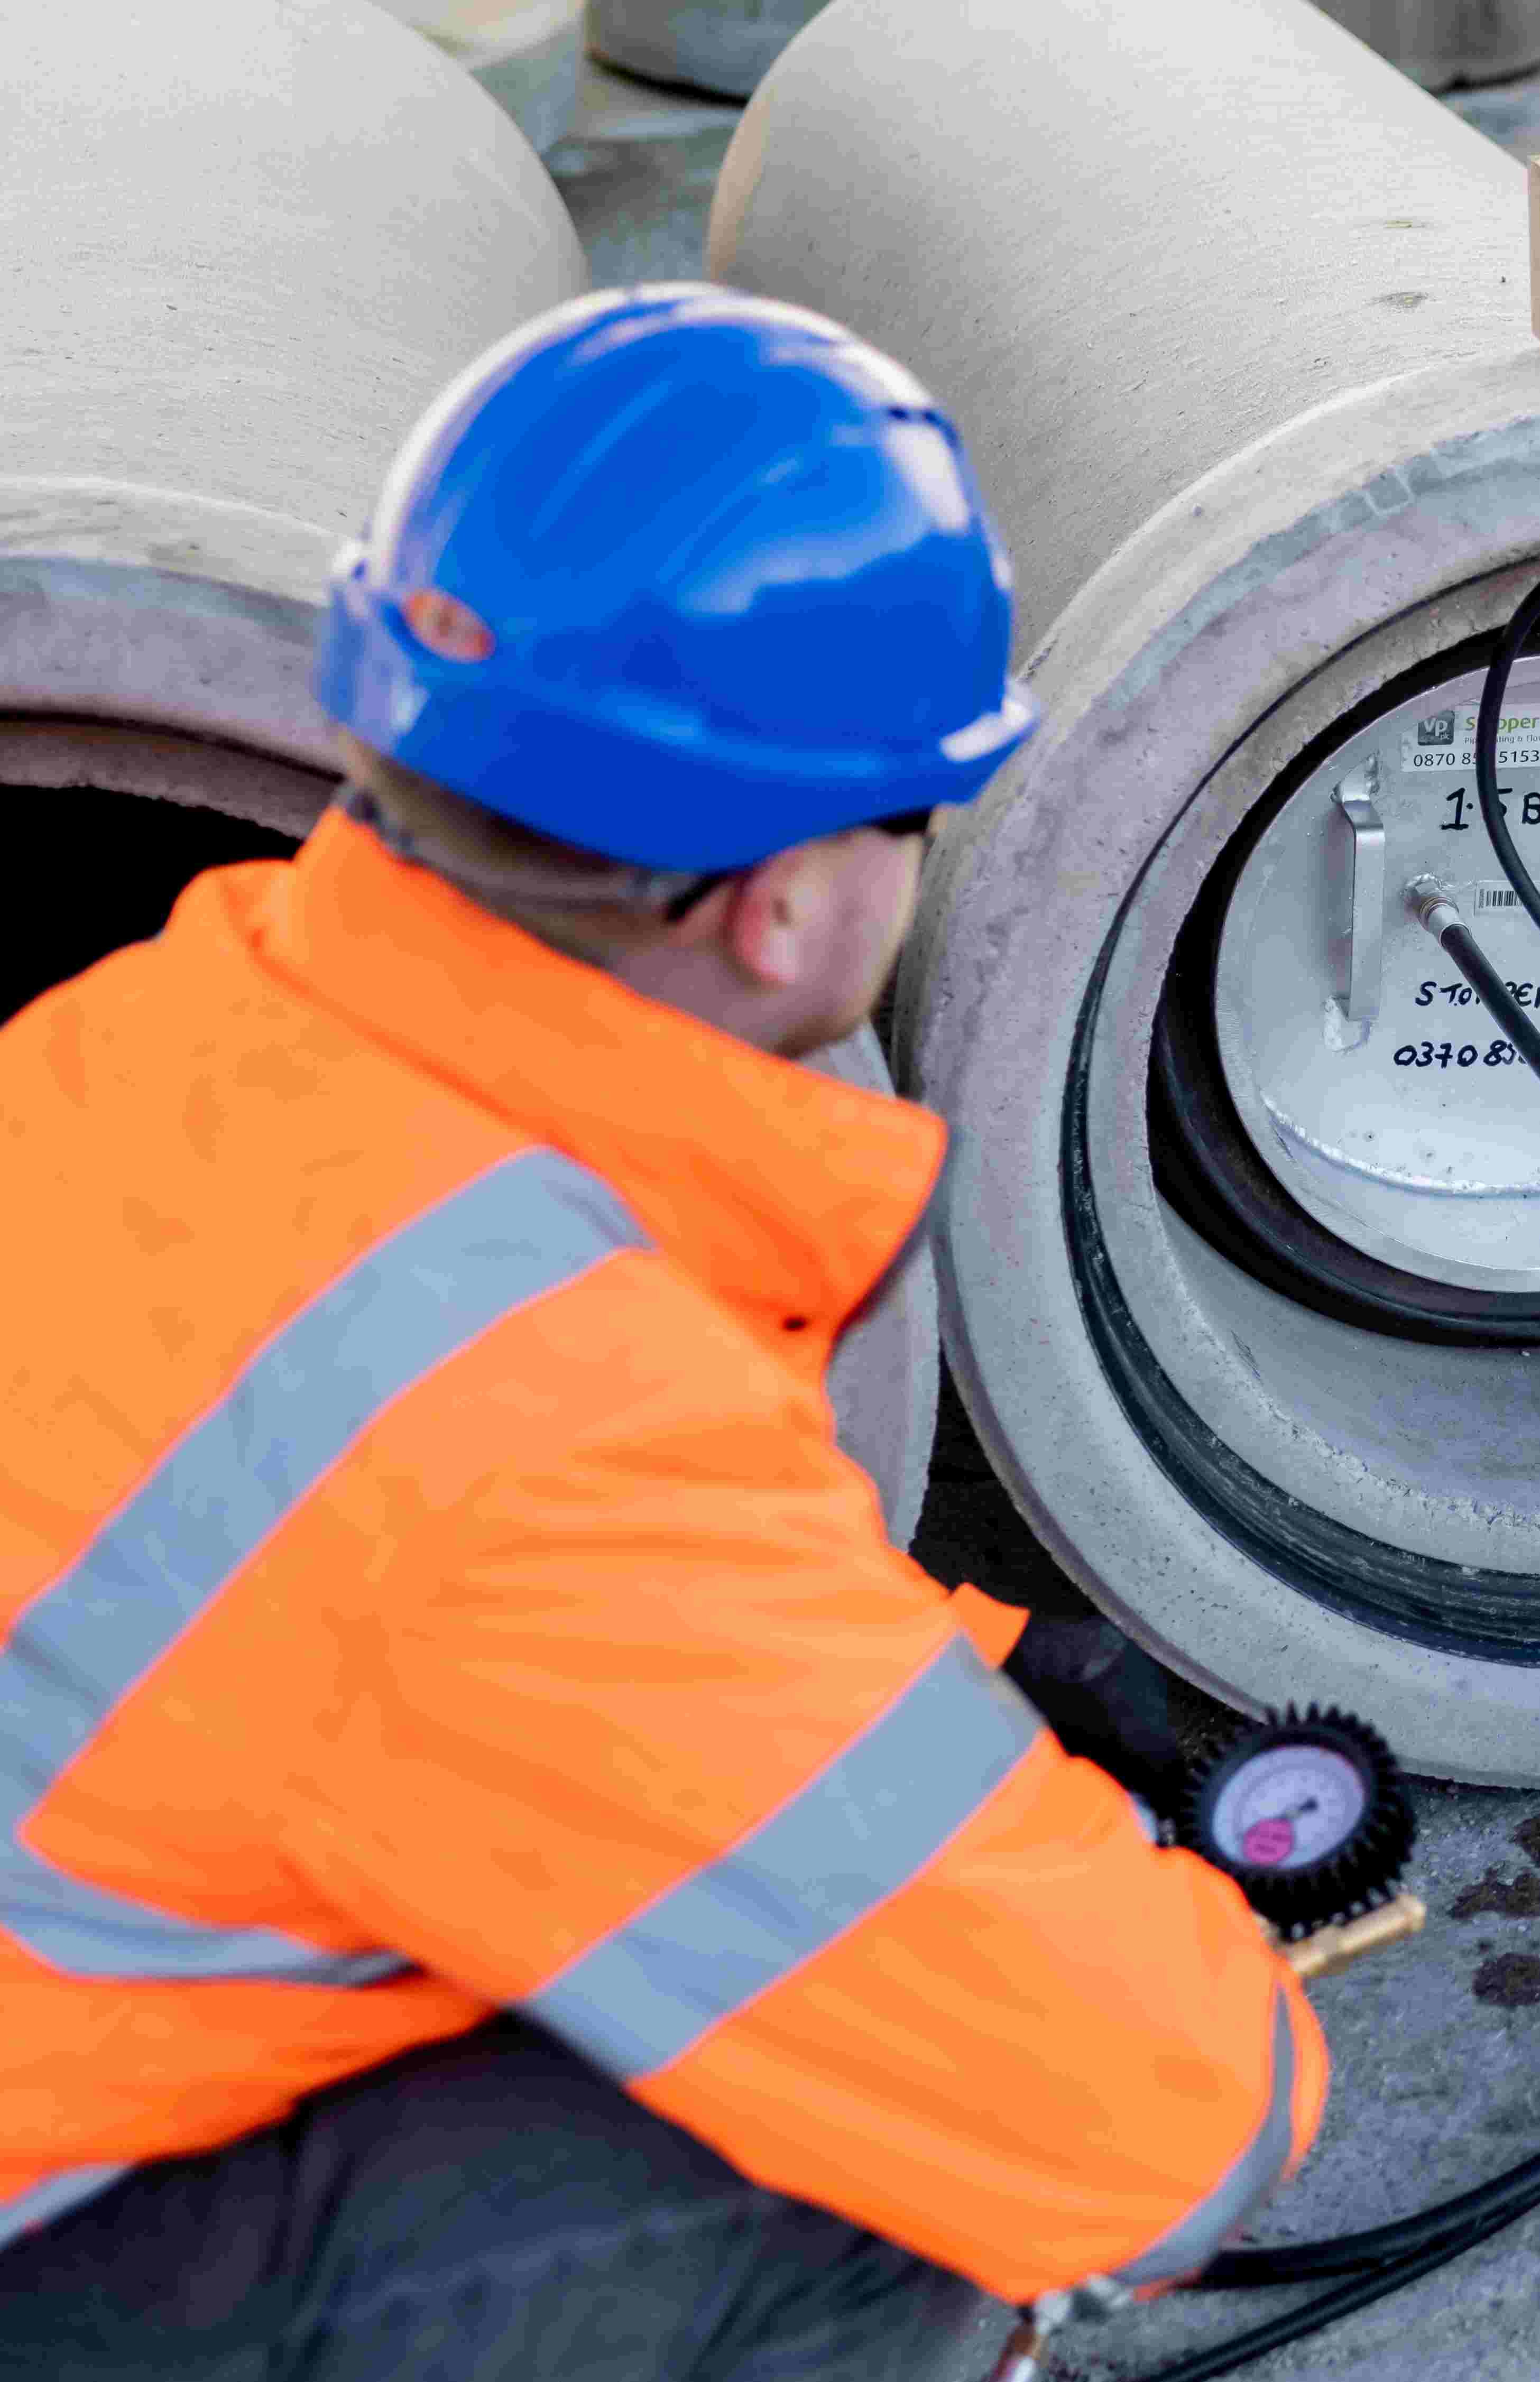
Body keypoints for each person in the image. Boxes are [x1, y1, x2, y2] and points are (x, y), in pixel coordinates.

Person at [0, 289, 1323, 2379]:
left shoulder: (137, 1045)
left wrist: (946, 1682)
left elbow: (302, 1626)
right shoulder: (526, 1423)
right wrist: (1134, 1896)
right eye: (914, 814)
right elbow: (1151, 2121)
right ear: (784, 902)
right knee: (871, 2168)